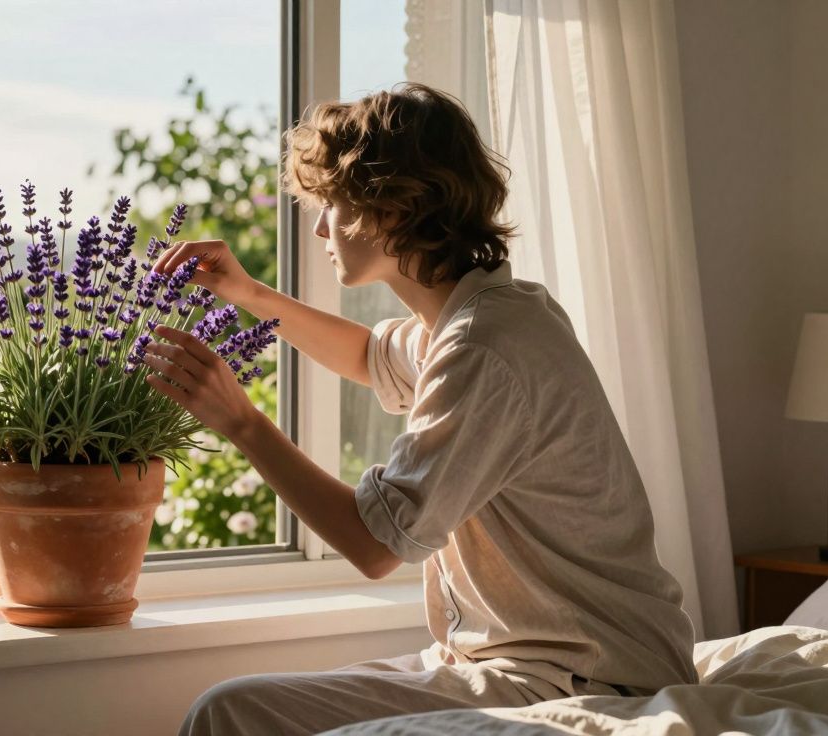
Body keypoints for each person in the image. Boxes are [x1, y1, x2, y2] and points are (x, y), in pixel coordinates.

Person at [143, 83, 697, 736]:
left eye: (334, 204)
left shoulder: (484, 348)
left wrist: (241, 421)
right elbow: (368, 355)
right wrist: (249, 293)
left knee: (227, 711)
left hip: (588, 676)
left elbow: (377, 546)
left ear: (395, 209)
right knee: (231, 708)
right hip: (533, 658)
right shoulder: (487, 315)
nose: (320, 226)